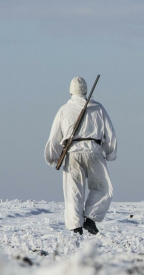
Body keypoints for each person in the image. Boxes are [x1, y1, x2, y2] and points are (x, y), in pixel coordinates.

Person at [44, 76, 117, 235]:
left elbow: (55, 136)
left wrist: (53, 157)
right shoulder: (98, 108)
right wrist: (110, 152)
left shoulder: (64, 109)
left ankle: (76, 226)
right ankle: (91, 218)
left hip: (72, 153)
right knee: (103, 187)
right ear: (85, 90)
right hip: (94, 151)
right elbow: (109, 133)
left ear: (71, 91)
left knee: (73, 191)